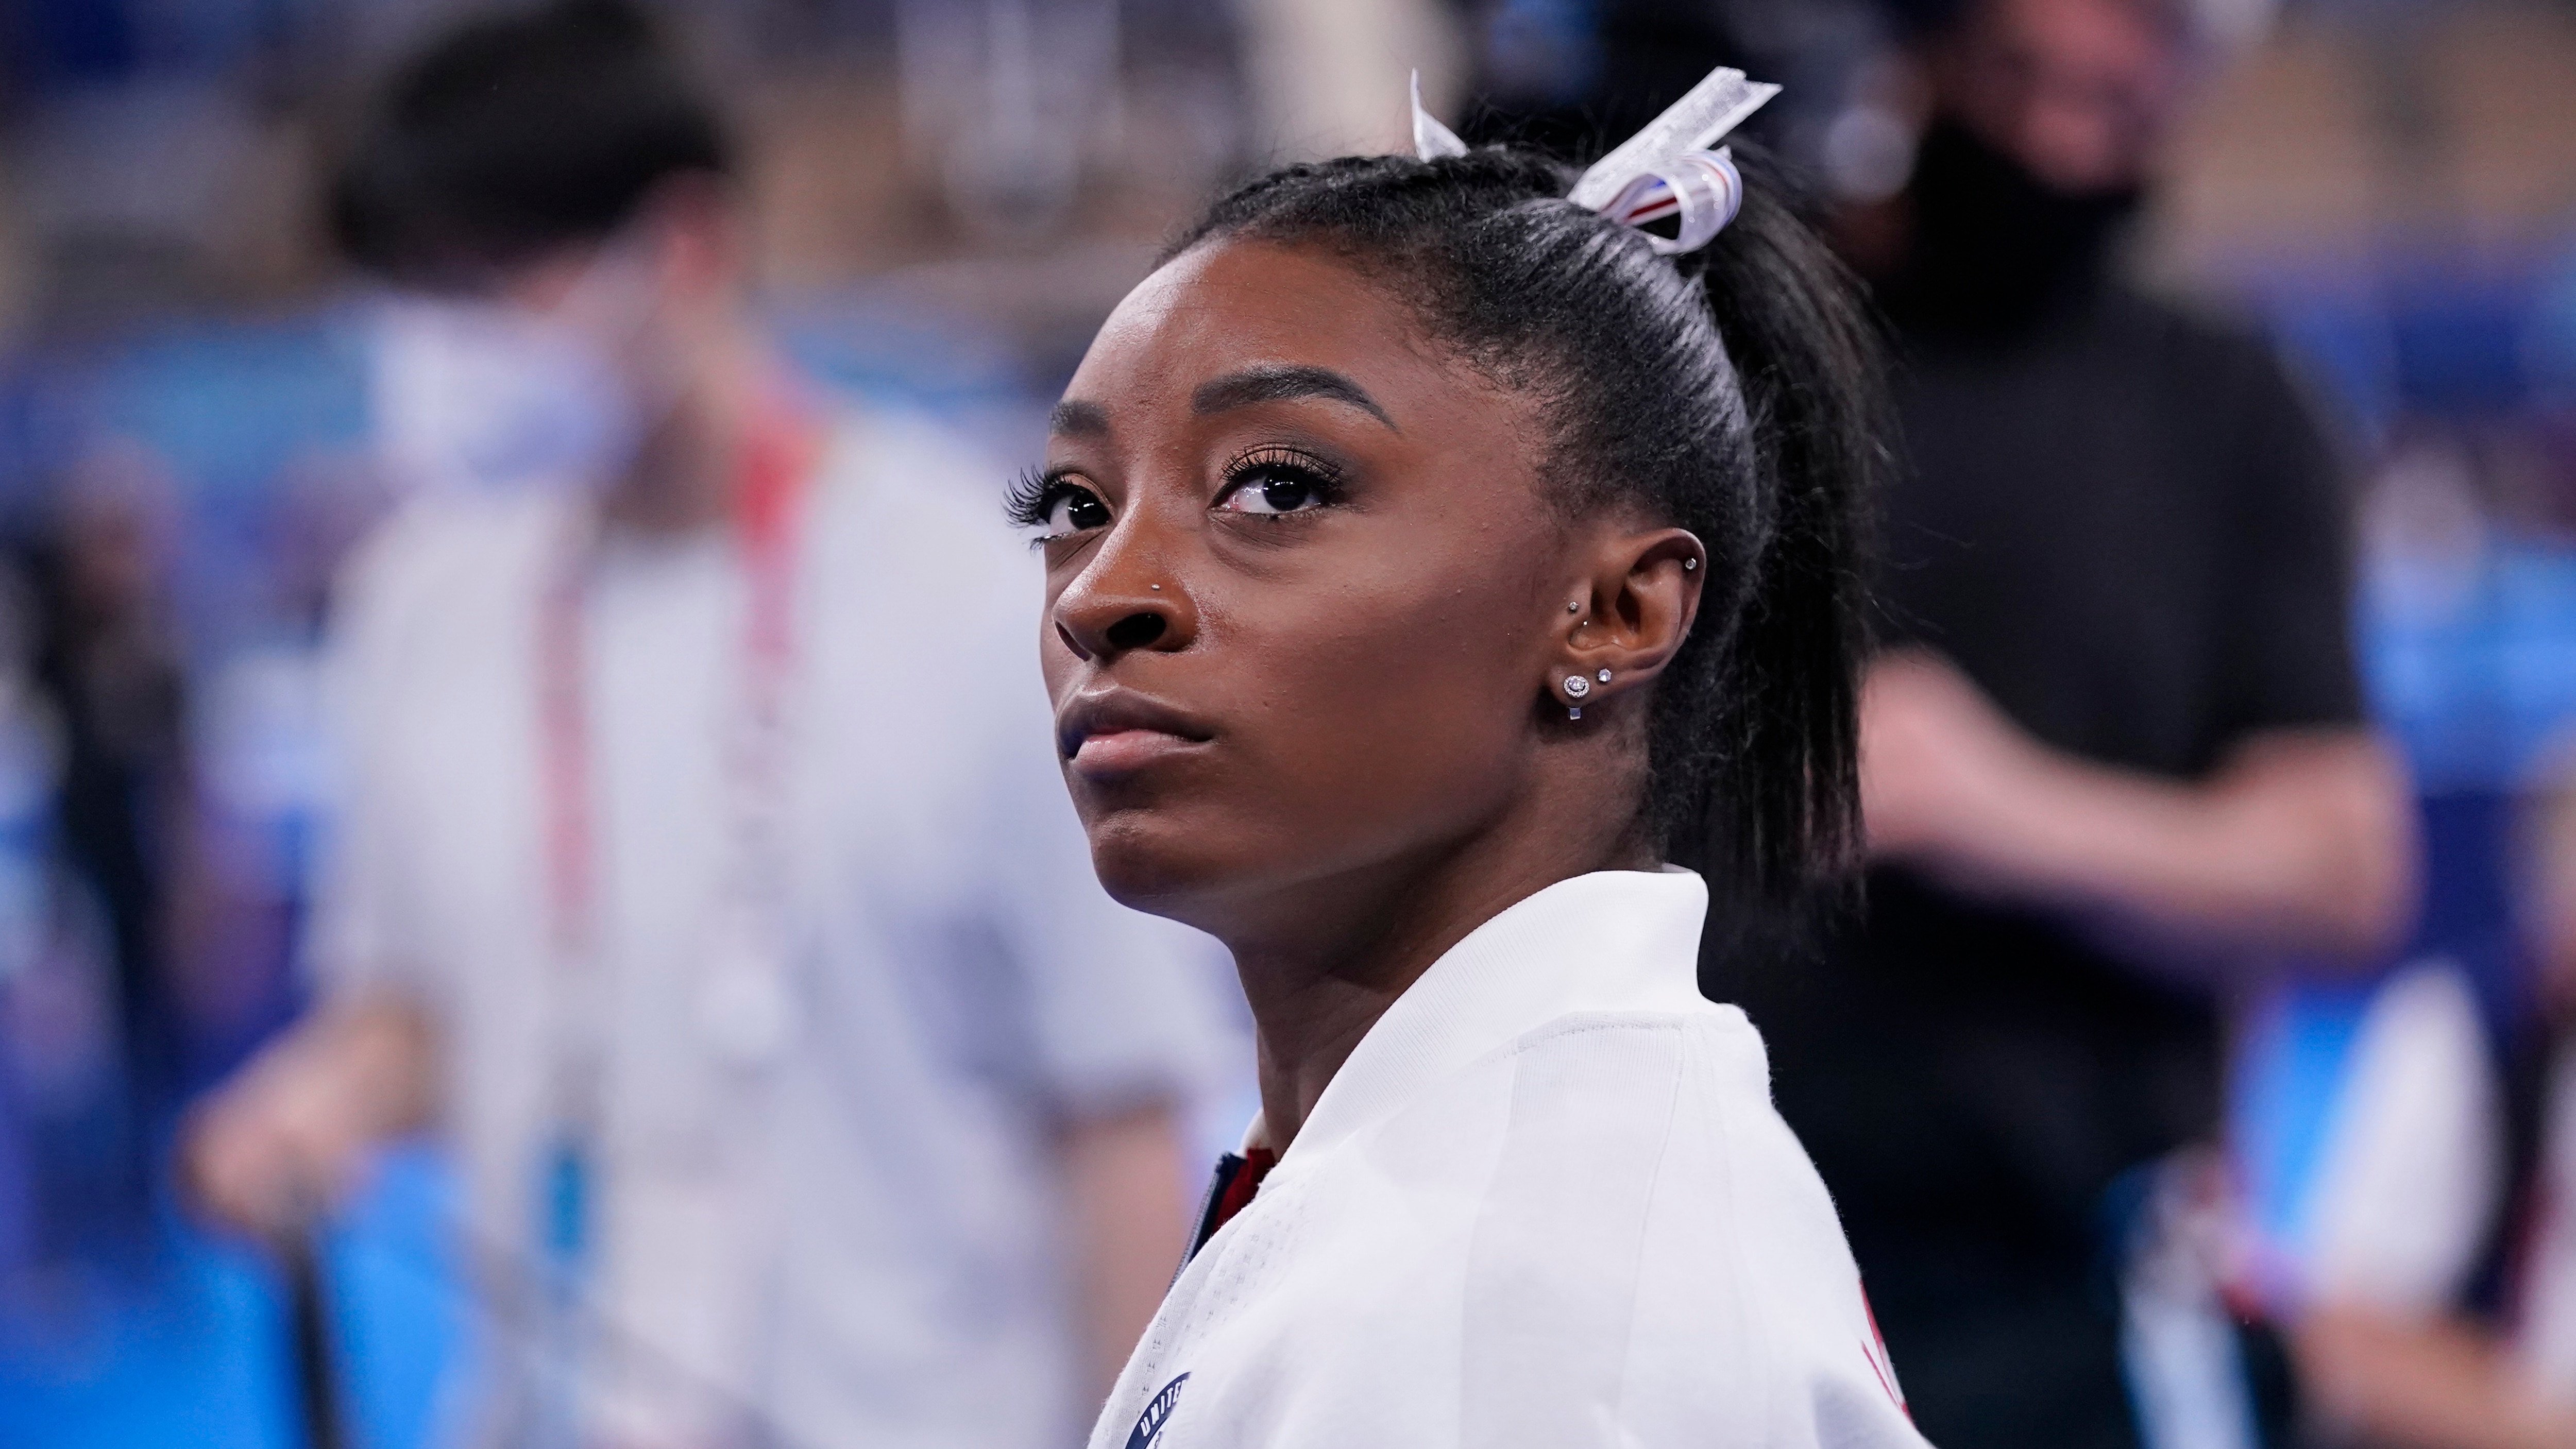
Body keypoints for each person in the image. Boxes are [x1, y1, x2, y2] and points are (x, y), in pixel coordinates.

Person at [180, 6, 1223, 1445]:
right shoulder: (423, 602)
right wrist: (314, 1111)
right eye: (413, 298)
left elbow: (1115, 1116)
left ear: (680, 246)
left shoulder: (978, 603)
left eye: (486, 286)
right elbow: (416, 1016)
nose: (440, 352)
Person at [1026, 70, 1926, 1447]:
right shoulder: (1441, 1198)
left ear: (1613, 612)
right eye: (1074, 506)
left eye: (1277, 488)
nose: (1100, 595)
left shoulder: (1532, 1304)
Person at [1708, 0, 2420, 1444]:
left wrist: (1996, 809)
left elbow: (2344, 871)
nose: (2052, 141)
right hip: (1719, 1242)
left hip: (2061, 1289)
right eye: (2016, 78)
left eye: (2114, 106)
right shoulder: (1745, 350)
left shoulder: (2224, 408)